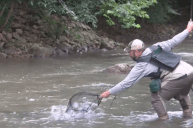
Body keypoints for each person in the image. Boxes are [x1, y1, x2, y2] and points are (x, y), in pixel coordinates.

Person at [100, 21, 193, 120]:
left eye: (129, 52)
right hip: (190, 71)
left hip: (178, 76)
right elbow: (174, 41)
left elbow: (126, 84)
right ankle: (188, 116)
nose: (129, 55)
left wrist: (108, 92)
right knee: (180, 89)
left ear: (136, 51)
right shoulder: (156, 46)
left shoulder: (141, 66)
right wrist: (188, 30)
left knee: (156, 98)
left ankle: (163, 121)